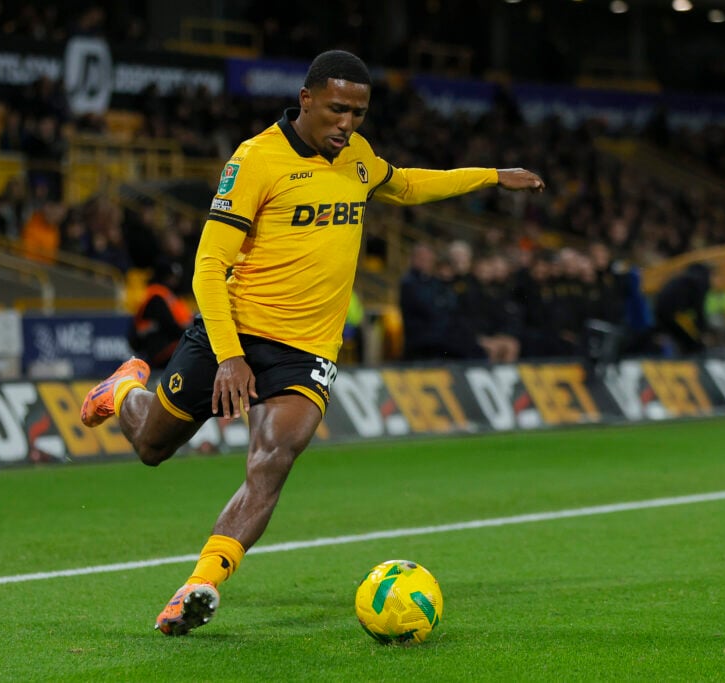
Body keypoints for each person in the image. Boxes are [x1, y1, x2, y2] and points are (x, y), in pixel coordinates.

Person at [79, 50, 544, 636]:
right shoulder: (255, 160)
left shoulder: (357, 158)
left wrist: (493, 176)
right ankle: (124, 390)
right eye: (337, 109)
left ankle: (199, 584)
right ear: (306, 100)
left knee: (272, 460)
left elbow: (405, 184)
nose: (347, 124)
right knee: (152, 445)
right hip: (236, 329)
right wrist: (229, 357)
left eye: (358, 113)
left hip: (308, 350)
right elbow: (206, 268)